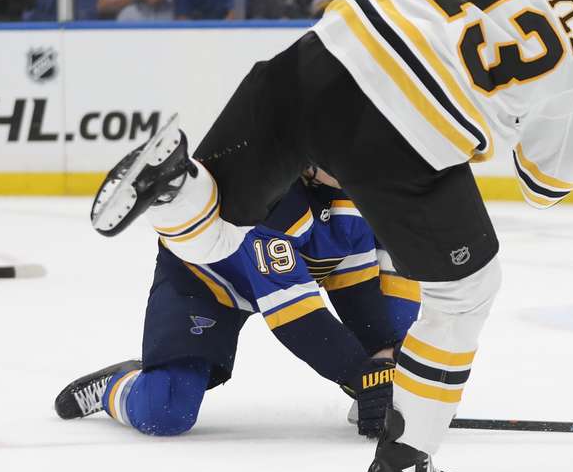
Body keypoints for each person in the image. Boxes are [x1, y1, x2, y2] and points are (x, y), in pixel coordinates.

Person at [88, 0, 573, 472]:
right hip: (404, 140)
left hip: (328, 54)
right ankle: (404, 469)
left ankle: (176, 181)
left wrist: (412, 13)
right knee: (467, 291)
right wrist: (527, 119)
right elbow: (545, 184)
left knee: (214, 226)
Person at [55, 175, 416, 440]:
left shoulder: (354, 196)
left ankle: (393, 391)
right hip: (208, 282)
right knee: (164, 411)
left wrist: (382, 365)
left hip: (281, 276)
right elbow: (297, 320)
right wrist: (359, 375)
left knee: (401, 283)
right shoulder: (275, 200)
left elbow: (356, 290)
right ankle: (116, 385)